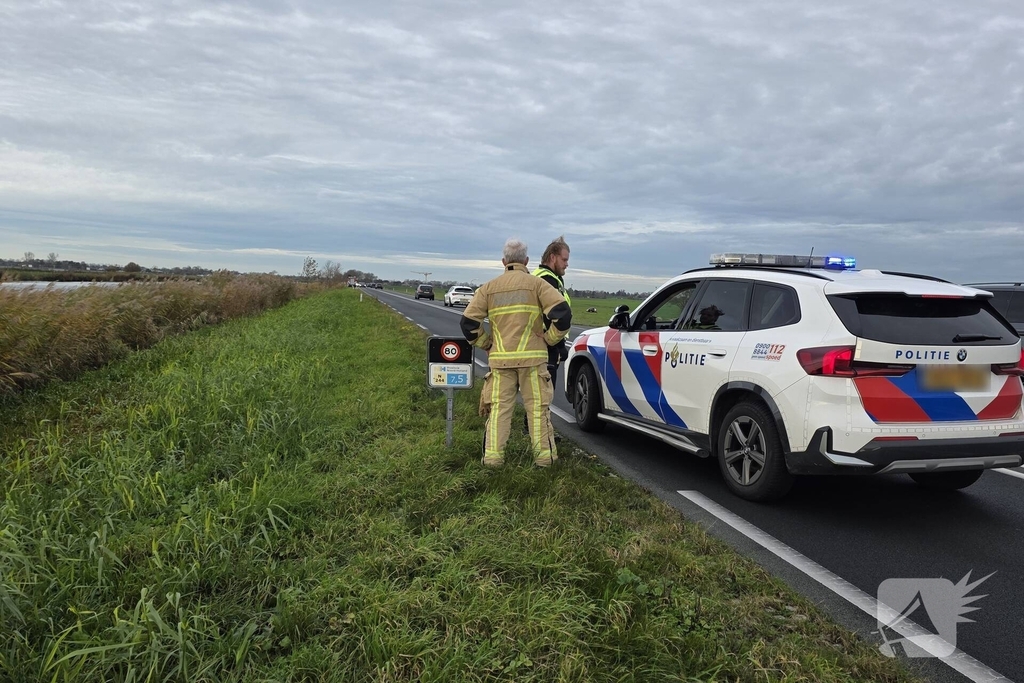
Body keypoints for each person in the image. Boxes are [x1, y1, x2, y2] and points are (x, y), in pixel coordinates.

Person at [461, 238, 572, 468]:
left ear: (503, 262)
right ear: (526, 261)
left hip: (501, 363)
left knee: (499, 412)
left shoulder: (488, 289)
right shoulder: (537, 285)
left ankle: (492, 461)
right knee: (538, 412)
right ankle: (544, 461)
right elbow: (563, 314)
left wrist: (486, 343)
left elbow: (467, 323)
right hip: (533, 362)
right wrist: (550, 338)